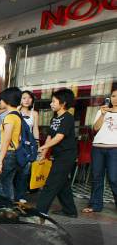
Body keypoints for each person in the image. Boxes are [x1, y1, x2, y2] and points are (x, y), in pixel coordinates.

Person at [36, 89, 78, 217]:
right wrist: (43, 153)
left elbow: (59, 137)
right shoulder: (55, 118)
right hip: (59, 155)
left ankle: (39, 212)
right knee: (63, 184)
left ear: (63, 103)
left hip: (66, 156)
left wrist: (42, 147)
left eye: (54, 101)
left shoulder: (68, 118)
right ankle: (70, 211)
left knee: (51, 184)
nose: (51, 104)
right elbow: (50, 135)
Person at [0, 87, 23, 200]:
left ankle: (7, 203)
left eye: (1, 100)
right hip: (15, 153)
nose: (0, 102)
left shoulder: (10, 117)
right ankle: (10, 209)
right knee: (7, 182)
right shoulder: (17, 114)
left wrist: (0, 161)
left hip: (8, 154)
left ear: (7, 100)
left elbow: (6, 140)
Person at [83, 89, 117, 213]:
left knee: (114, 178)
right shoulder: (102, 111)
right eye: (113, 96)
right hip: (98, 147)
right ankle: (95, 205)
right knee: (97, 177)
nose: (115, 98)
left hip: (114, 149)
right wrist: (103, 114)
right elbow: (95, 128)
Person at [14, 90, 41, 202]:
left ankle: (20, 196)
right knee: (13, 171)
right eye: (24, 98)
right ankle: (11, 195)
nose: (27, 100)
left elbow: (35, 129)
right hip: (16, 145)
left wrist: (37, 145)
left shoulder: (34, 113)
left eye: (29, 98)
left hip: (27, 146)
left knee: (25, 172)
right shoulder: (16, 111)